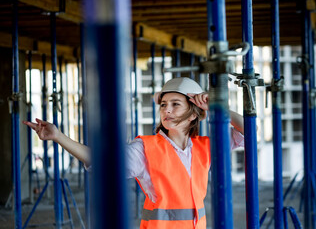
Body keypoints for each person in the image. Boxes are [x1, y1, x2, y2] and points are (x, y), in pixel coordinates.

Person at [24, 77, 244, 229]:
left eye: (175, 104)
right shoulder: (145, 149)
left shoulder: (204, 147)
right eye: (164, 104)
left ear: (194, 114)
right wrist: (58, 136)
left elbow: (248, 133)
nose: (166, 110)